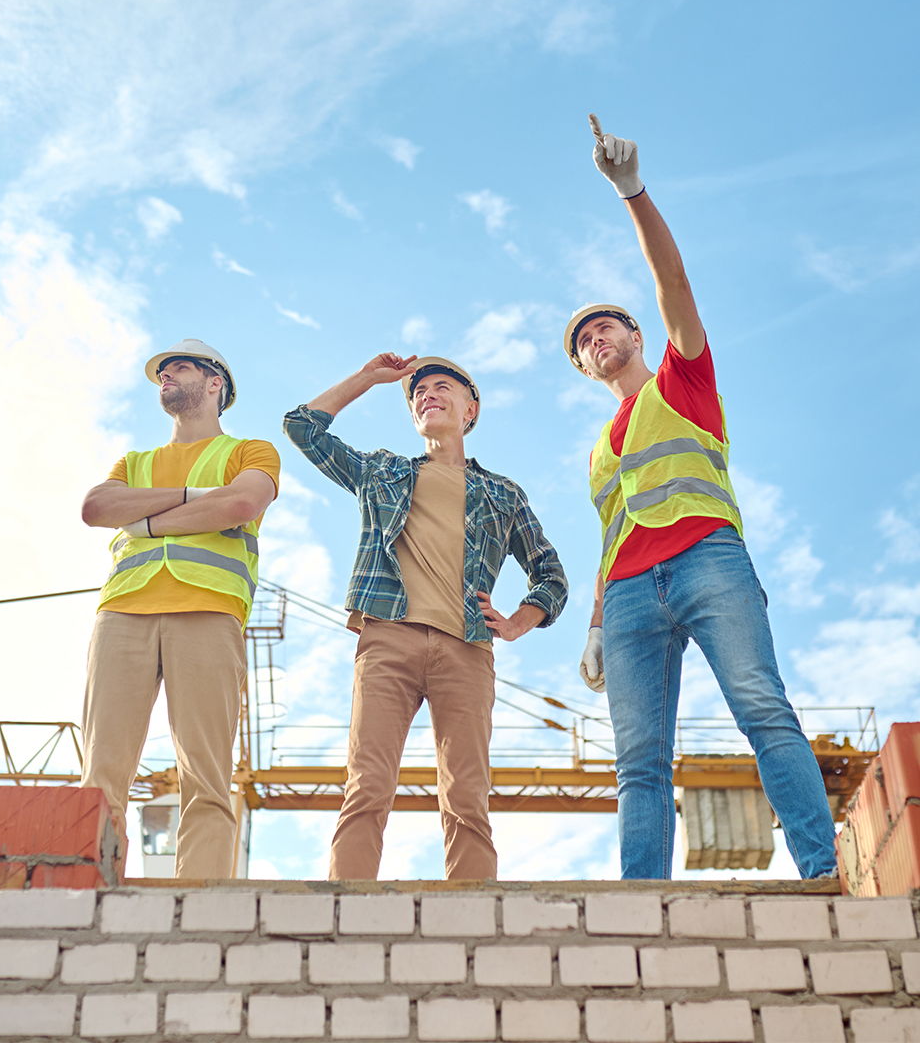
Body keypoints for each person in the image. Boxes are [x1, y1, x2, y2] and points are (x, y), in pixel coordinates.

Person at [567, 115, 837, 880]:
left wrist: (633, 193)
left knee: (762, 709)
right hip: (625, 597)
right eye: (583, 340)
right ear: (585, 366)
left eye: (606, 325)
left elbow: (674, 284)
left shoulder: (684, 382)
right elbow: (612, 534)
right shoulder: (597, 449)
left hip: (706, 560)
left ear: (635, 334)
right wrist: (592, 621)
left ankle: (819, 871)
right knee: (639, 761)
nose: (595, 339)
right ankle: (640, 903)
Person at [284, 354, 568, 879]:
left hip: (467, 649)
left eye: (441, 387)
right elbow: (302, 428)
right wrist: (368, 378)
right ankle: (344, 907)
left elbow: (551, 576)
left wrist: (516, 622)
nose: (426, 395)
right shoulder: (382, 472)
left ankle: (474, 919)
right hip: (388, 639)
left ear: (470, 409)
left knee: (466, 794)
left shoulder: (502, 493)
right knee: (367, 783)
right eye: (418, 392)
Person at [79, 339, 279, 879]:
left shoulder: (251, 452)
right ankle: (84, 892)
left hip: (209, 612)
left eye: (181, 366)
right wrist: (197, 499)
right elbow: (96, 508)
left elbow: (240, 504)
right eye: (162, 370)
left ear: (216, 383)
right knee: (101, 774)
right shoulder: (135, 461)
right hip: (123, 613)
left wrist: (143, 520)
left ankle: (201, 907)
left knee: (207, 775)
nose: (166, 373)